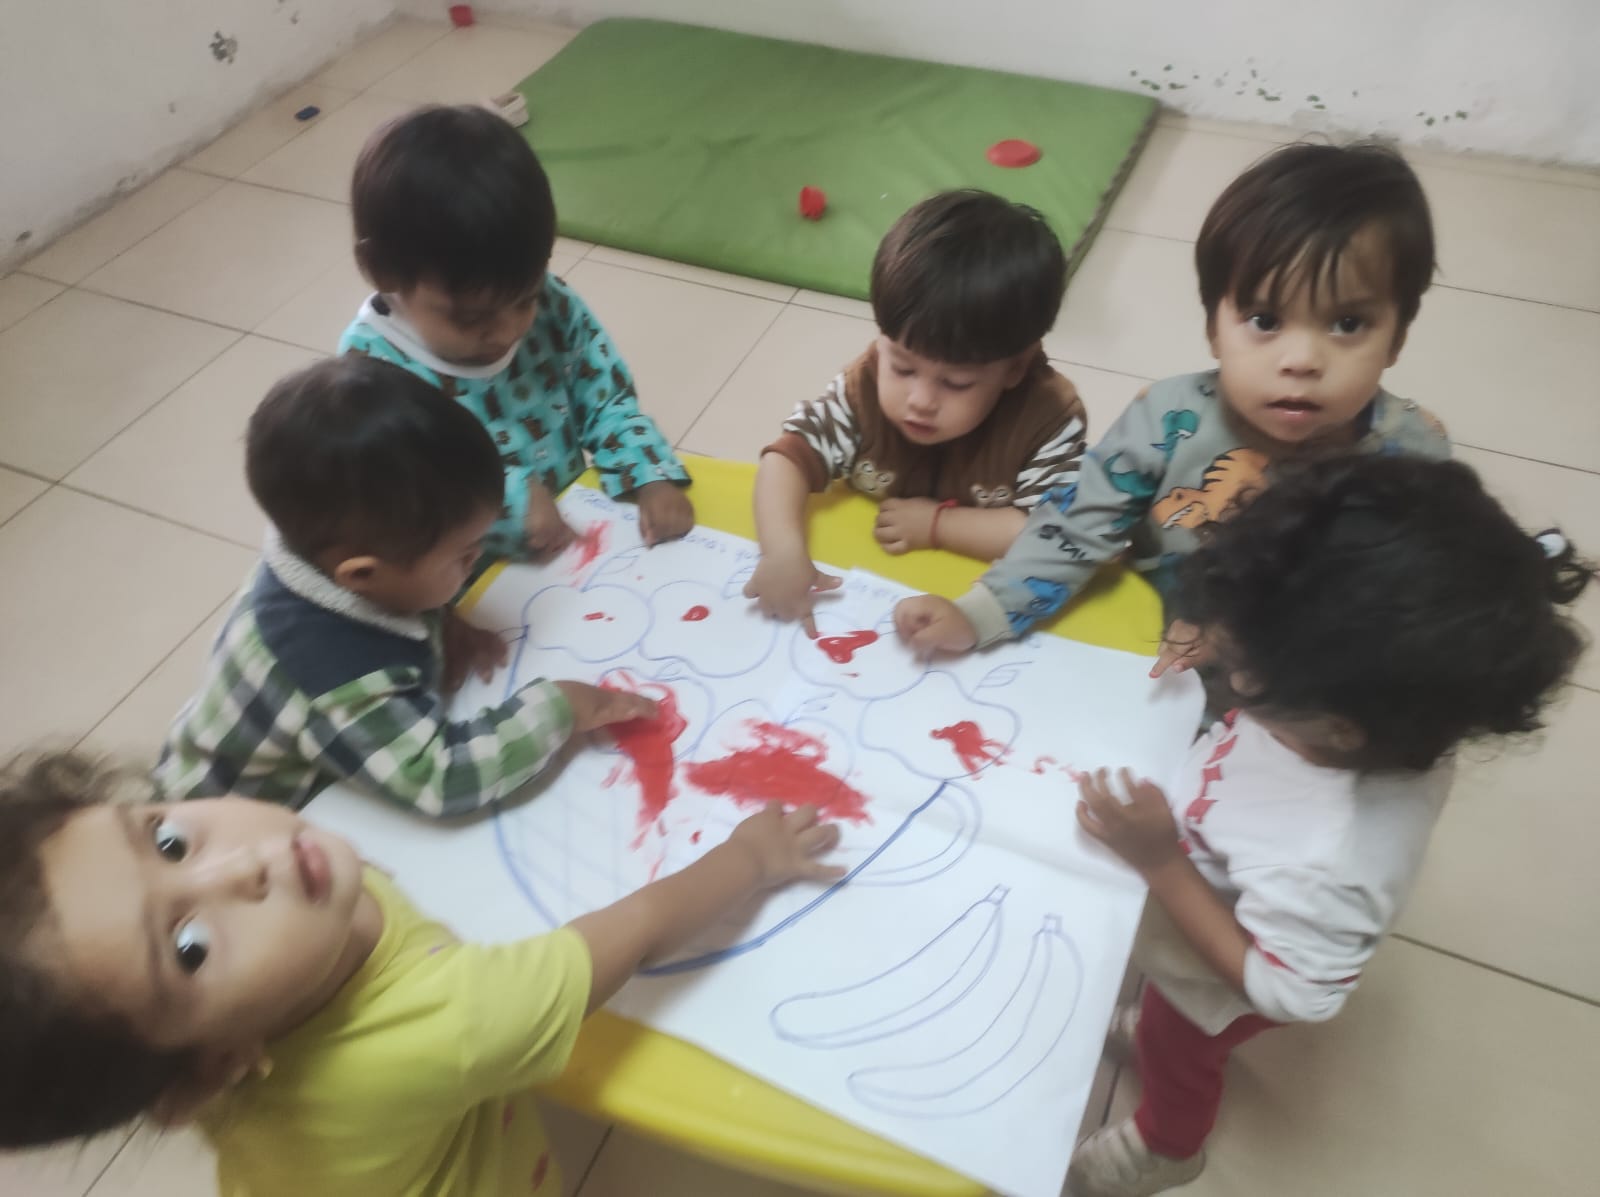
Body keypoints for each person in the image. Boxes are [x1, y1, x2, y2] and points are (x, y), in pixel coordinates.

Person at [1065, 455, 1591, 1197]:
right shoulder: (1382, 706)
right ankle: (1158, 1024)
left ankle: (1167, 1146)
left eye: (1246, 669)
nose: (1232, 675)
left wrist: (1162, 861)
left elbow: (1290, 992)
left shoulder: (1328, 853)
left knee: (1179, 1048)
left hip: (1220, 976)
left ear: (1341, 725)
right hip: (1217, 884)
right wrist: (1231, 639)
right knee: (1162, 1015)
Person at [0, 750, 844, 1197]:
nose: (243, 867)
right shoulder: (446, 1023)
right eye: (189, 946)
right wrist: (751, 857)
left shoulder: (247, 988)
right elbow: (639, 932)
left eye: (167, 839)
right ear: (212, 1067)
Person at [893, 142, 1449, 656]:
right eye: (1265, 320)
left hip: (1297, 678)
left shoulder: (1411, 457)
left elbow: (1402, 601)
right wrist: (981, 615)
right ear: (1213, 329)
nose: (1301, 360)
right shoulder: (1166, 419)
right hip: (1141, 646)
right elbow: (1076, 526)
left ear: (1397, 337)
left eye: (1348, 323)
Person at [156, 355, 654, 815]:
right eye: (464, 555)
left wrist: (442, 621)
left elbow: (400, 594)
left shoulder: (323, 556)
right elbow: (442, 779)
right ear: (363, 574)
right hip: (229, 825)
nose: (477, 562)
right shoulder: (338, 675)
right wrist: (559, 708)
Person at [339, 104, 694, 561]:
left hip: (572, 560)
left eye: (526, 299)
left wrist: (647, 473)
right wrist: (509, 504)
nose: (509, 331)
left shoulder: (552, 304)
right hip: (462, 578)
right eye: (472, 318)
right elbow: (406, 498)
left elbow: (605, 399)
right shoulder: (370, 374)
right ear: (382, 271)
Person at [747, 190, 1087, 634]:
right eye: (903, 368)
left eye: (956, 383)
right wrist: (781, 550)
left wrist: (938, 525)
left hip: (967, 598)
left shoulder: (1047, 417)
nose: (921, 399)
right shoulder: (865, 386)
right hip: (864, 577)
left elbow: (1057, 529)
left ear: (1015, 368)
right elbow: (785, 460)